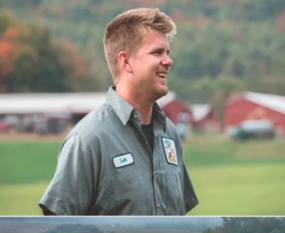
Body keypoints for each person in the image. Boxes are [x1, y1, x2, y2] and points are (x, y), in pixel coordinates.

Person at [39, 7, 199, 215]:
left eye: (167, 52)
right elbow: (59, 225)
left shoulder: (170, 133)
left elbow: (178, 220)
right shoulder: (88, 139)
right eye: (157, 52)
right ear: (126, 61)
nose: (169, 61)